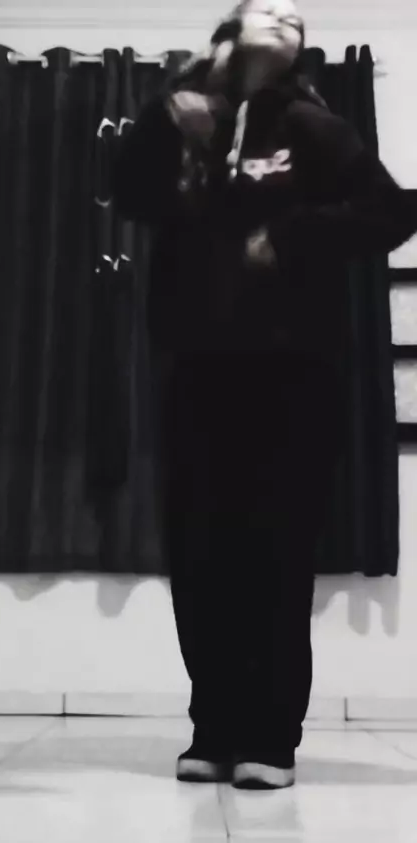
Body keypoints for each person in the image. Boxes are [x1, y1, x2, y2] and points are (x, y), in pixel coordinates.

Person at [112, 0, 417, 790]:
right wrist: (167, 130)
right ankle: (213, 729)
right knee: (200, 555)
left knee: (275, 555)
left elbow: (393, 211)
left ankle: (270, 738)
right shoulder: (181, 113)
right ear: (229, 34)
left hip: (292, 376)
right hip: (196, 369)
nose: (284, 15)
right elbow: (130, 195)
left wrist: (291, 235)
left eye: (293, 16)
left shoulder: (311, 125)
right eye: (267, 9)